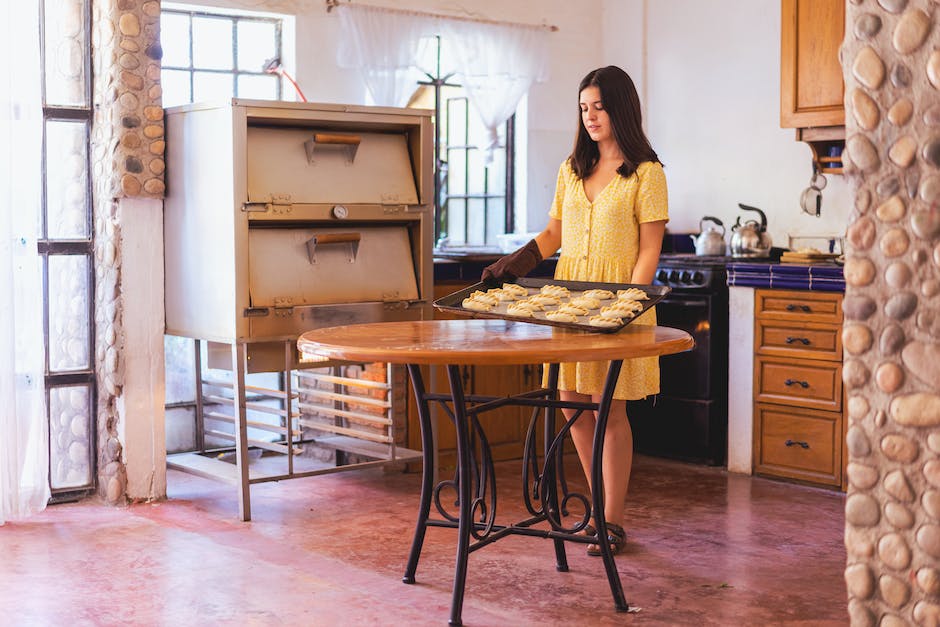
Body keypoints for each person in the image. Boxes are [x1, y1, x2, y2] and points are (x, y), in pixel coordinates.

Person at [482, 65, 668, 556]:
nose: (590, 116)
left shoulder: (646, 173)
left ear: (621, 108)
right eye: (584, 108)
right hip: (570, 305)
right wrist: (515, 262)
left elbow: (650, 248)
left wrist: (629, 302)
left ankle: (612, 521)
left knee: (610, 410)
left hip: (617, 304)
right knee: (572, 405)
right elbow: (552, 236)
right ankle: (598, 505)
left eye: (599, 107)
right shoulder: (572, 168)